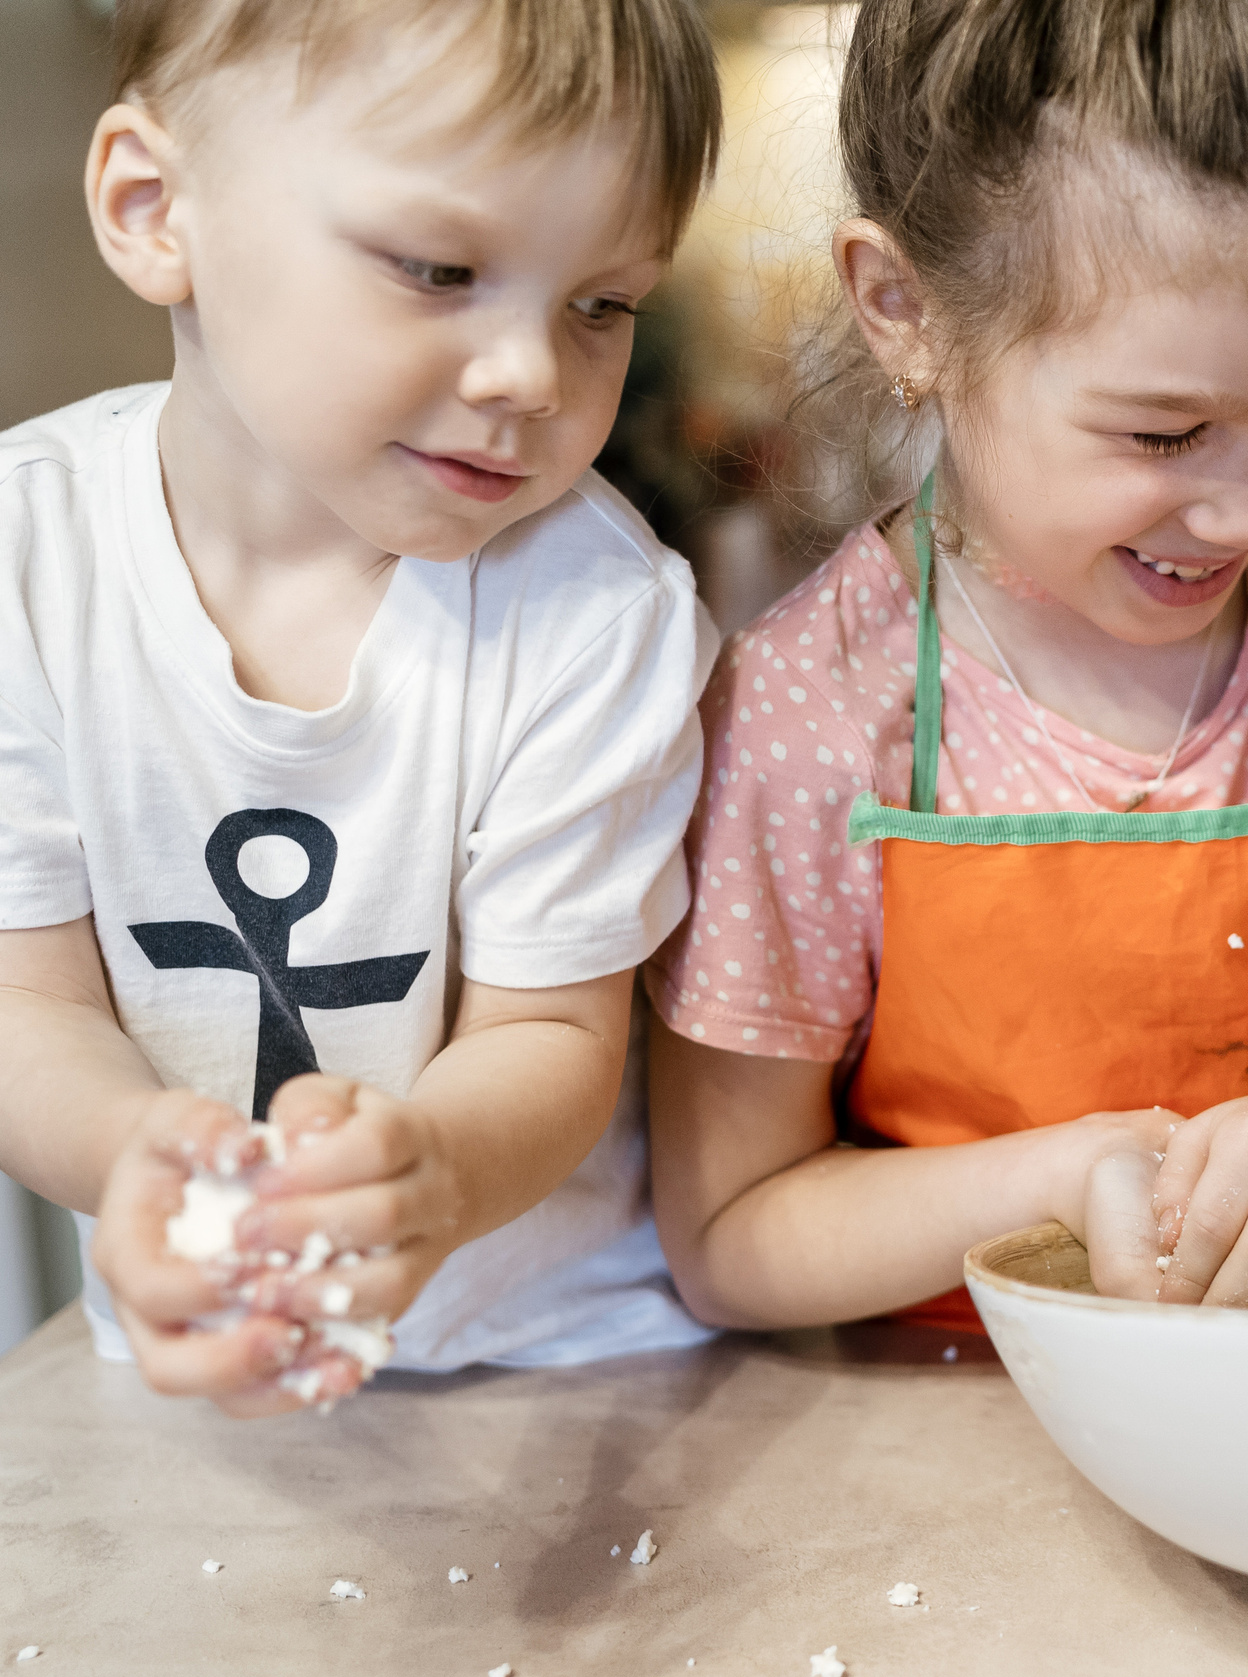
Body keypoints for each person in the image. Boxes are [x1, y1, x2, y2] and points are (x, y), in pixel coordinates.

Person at [646, 0, 1248, 1332]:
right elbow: (733, 1237)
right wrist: (1074, 1175)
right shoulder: (812, 712)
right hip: (947, 1450)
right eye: (1166, 435)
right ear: (904, 310)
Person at [0, 0, 725, 1413]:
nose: (531, 375)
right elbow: (26, 1005)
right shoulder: (25, 569)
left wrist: (434, 1169)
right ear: (155, 211)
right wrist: (135, 1154)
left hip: (568, 1364)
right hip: (193, 1370)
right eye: (442, 267)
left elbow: (550, 1036)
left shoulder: (594, 614)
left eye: (602, 305)